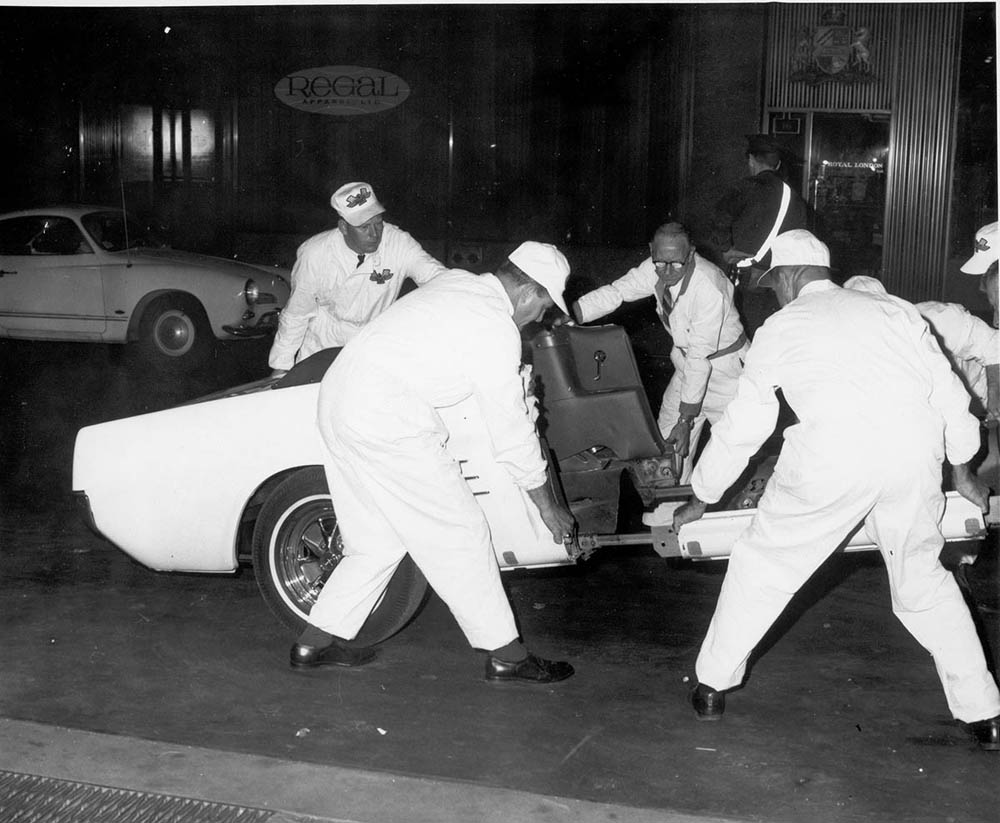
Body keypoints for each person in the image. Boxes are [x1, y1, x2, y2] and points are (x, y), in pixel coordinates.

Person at [672, 229, 1000, 751]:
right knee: (924, 582)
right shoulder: (895, 311)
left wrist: (701, 497)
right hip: (912, 456)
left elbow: (744, 425)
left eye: (775, 284)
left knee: (762, 565)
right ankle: (985, 714)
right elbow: (949, 398)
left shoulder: (783, 326)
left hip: (832, 459)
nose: (775, 294)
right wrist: (962, 472)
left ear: (789, 276)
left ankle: (712, 685)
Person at [290, 241, 578, 684]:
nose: (538, 319)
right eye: (542, 308)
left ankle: (313, 642)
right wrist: (546, 503)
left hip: (337, 402)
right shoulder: (494, 324)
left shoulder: (457, 285)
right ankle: (507, 655)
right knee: (461, 530)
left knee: (376, 542)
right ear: (526, 293)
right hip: (385, 418)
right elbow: (510, 431)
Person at [572, 223, 748, 483]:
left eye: (676, 263)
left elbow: (700, 357)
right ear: (652, 251)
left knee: (730, 454)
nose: (667, 271)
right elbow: (618, 292)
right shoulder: (657, 266)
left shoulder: (709, 286)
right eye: (660, 262)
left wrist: (685, 420)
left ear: (691, 254)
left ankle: (711, 505)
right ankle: (669, 507)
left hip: (725, 375)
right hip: (688, 366)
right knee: (666, 448)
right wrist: (572, 313)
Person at [268, 181, 447, 377]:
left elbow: (437, 277)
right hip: (323, 345)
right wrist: (281, 367)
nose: (374, 234)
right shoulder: (316, 253)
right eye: (364, 227)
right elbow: (297, 313)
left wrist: (464, 287)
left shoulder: (398, 243)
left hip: (372, 343)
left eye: (378, 223)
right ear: (343, 227)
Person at [843, 274, 999, 421]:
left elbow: (994, 345)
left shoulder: (936, 318)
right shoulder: (857, 356)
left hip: (988, 391)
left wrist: (994, 391)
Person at [713, 134, 809, 337]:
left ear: (751, 160)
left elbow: (720, 217)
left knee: (742, 329)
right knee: (771, 330)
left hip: (746, 276)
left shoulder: (745, 187)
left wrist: (725, 248)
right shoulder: (793, 196)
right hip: (779, 278)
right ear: (778, 164)